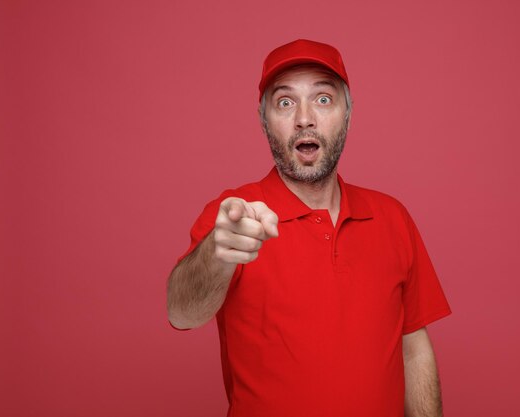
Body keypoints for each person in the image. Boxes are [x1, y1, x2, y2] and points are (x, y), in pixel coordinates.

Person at [167, 39, 452, 417]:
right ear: (263, 117)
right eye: (285, 102)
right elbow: (181, 314)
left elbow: (414, 350)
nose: (304, 117)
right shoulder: (234, 217)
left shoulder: (392, 217)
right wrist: (216, 255)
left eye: (323, 99)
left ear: (347, 113)